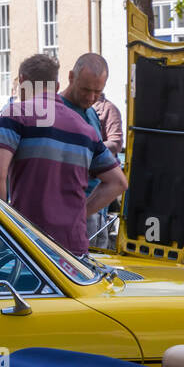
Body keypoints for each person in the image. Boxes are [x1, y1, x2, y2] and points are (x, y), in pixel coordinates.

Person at [0, 53, 125, 257]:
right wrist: (79, 214)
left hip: (28, 244)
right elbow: (118, 183)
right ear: (58, 85)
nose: (90, 97)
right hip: (73, 246)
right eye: (86, 90)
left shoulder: (16, 114)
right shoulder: (85, 129)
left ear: (22, 81)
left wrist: (6, 228)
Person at [59, 53, 121, 244]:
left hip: (95, 206)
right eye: (85, 90)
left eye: (97, 92)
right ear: (71, 77)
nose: (91, 97)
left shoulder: (91, 112)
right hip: (70, 207)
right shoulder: (57, 111)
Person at [93, 92, 123, 157]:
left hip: (98, 164)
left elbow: (116, 144)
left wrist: (88, 148)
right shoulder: (72, 106)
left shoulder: (109, 108)